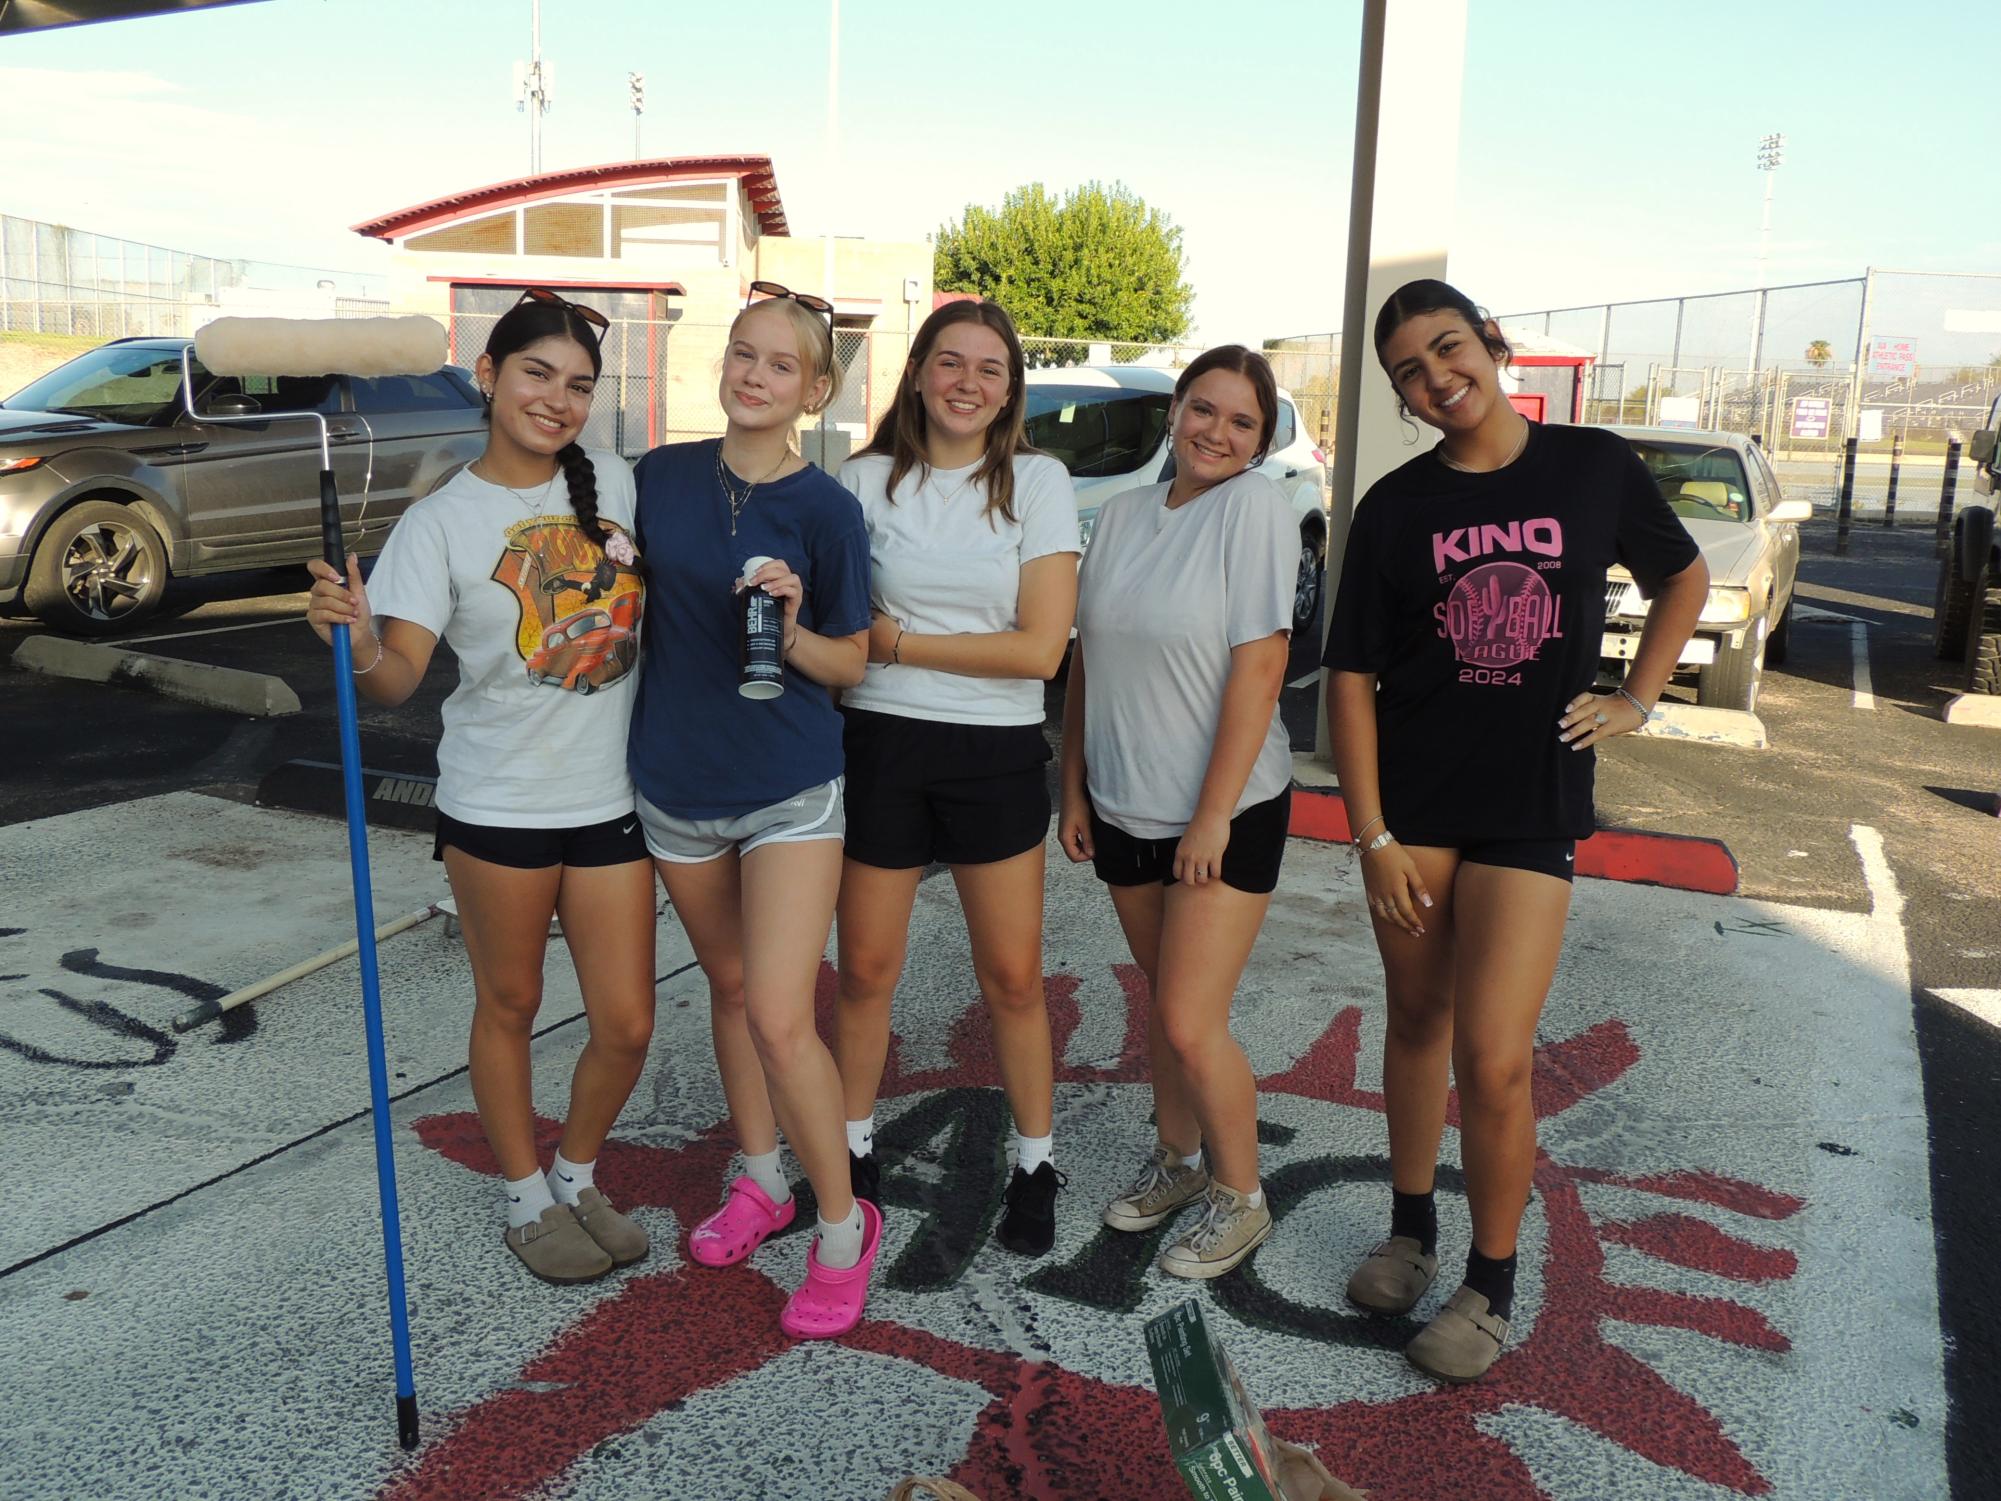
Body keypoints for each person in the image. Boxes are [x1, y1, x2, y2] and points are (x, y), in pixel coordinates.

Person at [1323, 279, 1708, 1382]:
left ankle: (1490, 1283)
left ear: (1491, 346)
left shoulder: (1590, 467)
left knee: (1493, 1058)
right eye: (1409, 369)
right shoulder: (1395, 507)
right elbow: (1350, 680)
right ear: (1398, 391)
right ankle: (1410, 1229)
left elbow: (1681, 576)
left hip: (1531, 805)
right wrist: (1373, 832)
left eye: (1448, 349)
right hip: (1415, 809)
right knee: (1415, 1024)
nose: (1436, 376)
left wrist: (1637, 695)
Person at [305, 288, 655, 1286]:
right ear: (490, 376)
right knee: (510, 1002)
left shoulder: (620, 488)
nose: (558, 399)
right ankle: (523, 1193)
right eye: (538, 373)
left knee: (626, 1020)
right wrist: (360, 634)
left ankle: (577, 1171)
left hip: (609, 798)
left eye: (580, 384)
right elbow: (397, 678)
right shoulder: (440, 524)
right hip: (496, 804)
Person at [626, 284, 881, 1339]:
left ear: (814, 388)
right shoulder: (657, 476)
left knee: (781, 1013)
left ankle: (839, 1226)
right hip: (674, 783)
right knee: (728, 992)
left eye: (780, 364)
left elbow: (850, 662)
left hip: (787, 785)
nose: (754, 376)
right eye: (742, 355)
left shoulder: (828, 510)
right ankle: (763, 1176)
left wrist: (789, 613)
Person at [831, 301, 1080, 1255]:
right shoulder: (858, 482)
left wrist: (898, 641)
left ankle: (1033, 1158)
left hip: (993, 752)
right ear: (919, 374)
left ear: (1009, 387)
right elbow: (834, 622)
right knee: (864, 970)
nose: (966, 382)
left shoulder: (1038, 482)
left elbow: (1039, 651)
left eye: (988, 368)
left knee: (1013, 976)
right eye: (949, 362)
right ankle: (851, 1148)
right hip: (881, 744)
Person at [1058, 344, 1299, 1280]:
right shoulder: (1119, 516)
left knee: (1194, 1019)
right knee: (1164, 1011)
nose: (1217, 432)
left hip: (1224, 814)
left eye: (1242, 421)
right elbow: (1089, 660)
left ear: (1262, 436)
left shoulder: (1256, 509)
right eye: (1203, 409)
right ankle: (1180, 1162)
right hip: (1121, 804)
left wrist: (1211, 816)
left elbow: (1262, 663)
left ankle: (1241, 1197)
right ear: (1174, 412)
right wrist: (1070, 783)